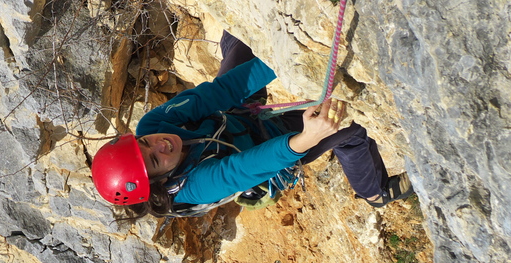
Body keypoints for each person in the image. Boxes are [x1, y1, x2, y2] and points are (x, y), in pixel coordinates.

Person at [91, 31, 414, 217]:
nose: (159, 144)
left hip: (237, 117)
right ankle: (374, 192)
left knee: (238, 40)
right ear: (160, 181)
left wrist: (290, 57)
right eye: (154, 160)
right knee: (349, 132)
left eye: (143, 143)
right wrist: (306, 138)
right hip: (272, 148)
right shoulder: (196, 185)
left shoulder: (154, 123)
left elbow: (221, 92)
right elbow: (245, 168)